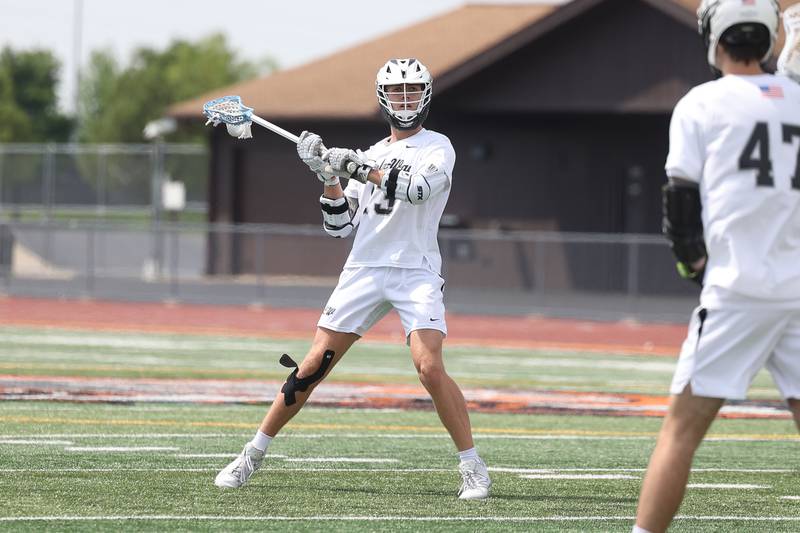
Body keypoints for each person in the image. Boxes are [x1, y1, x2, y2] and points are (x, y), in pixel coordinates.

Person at [214, 58, 492, 500]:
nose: (406, 100)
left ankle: (473, 467)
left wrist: (358, 169)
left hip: (415, 269)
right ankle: (252, 453)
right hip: (364, 268)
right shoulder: (370, 153)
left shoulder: (438, 146)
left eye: (413, 91)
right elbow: (340, 227)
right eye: (398, 92)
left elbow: (418, 189)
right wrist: (329, 179)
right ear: (384, 98)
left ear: (426, 95)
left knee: (429, 367)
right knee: (311, 368)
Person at [633, 1, 800, 532]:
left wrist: (696, 267)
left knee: (680, 432)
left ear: (714, 38)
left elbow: (679, 205)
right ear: (770, 38)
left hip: (737, 290)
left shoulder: (700, 103)